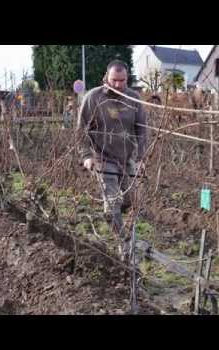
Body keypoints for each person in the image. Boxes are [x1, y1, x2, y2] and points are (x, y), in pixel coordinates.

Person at [76, 60, 147, 261]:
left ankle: (115, 218)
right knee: (113, 201)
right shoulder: (93, 98)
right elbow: (81, 130)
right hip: (103, 157)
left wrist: (141, 157)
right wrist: (87, 156)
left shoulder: (133, 99)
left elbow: (142, 130)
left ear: (127, 79)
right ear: (106, 77)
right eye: (114, 80)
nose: (118, 85)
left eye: (122, 81)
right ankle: (123, 245)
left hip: (126, 158)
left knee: (128, 200)